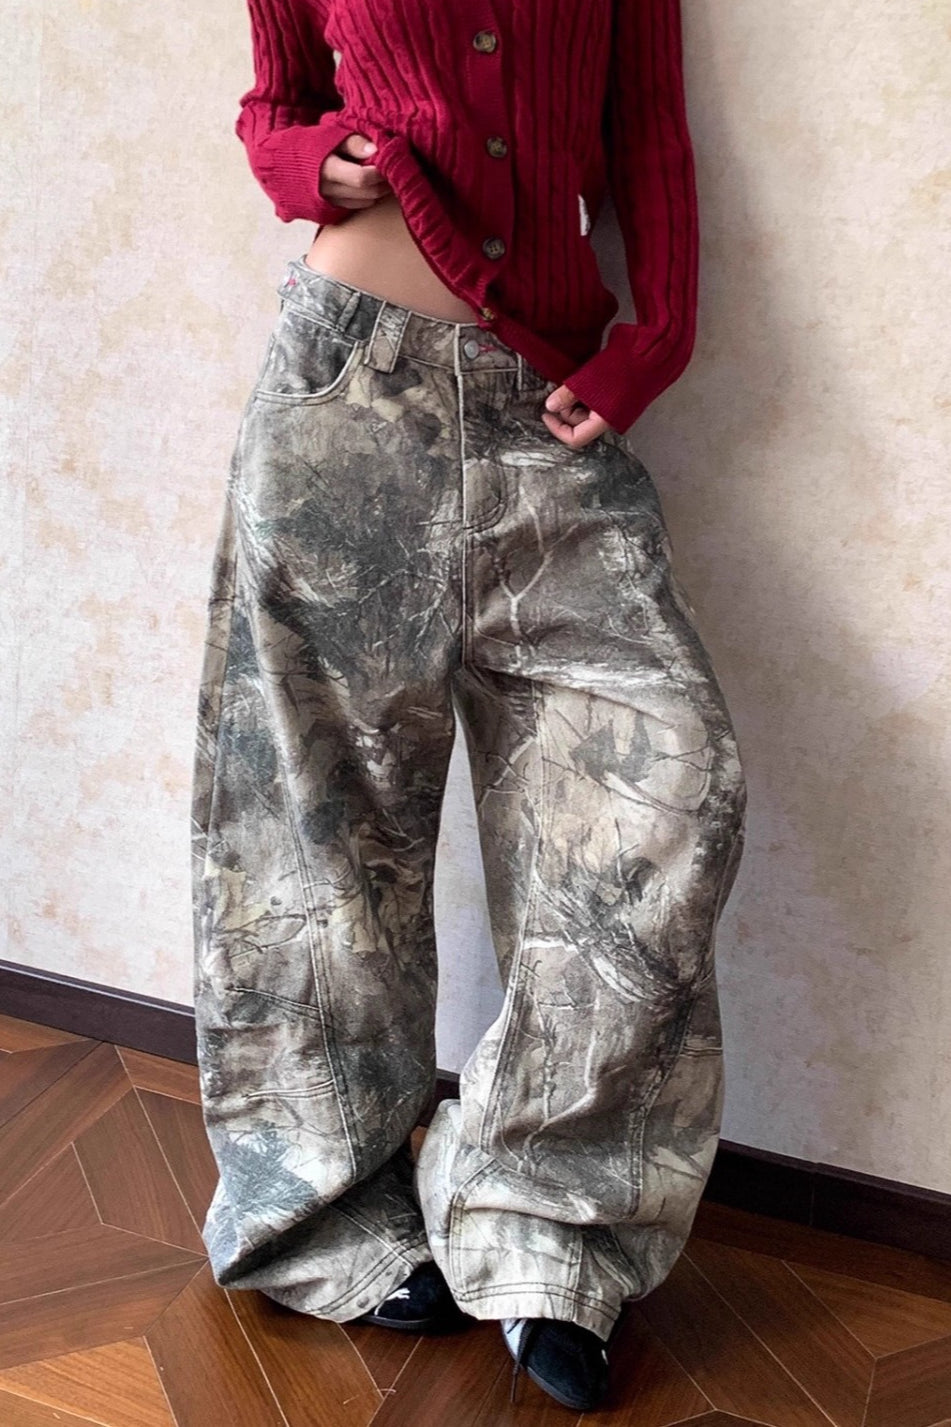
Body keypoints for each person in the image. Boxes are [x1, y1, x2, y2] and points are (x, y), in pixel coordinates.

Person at [190, 0, 748, 1412]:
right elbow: (274, 108)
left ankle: (546, 1227)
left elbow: (650, 143)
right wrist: (312, 165)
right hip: (344, 389)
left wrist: (653, 342)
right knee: (320, 827)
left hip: (545, 403)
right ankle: (322, 1214)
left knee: (664, 785)